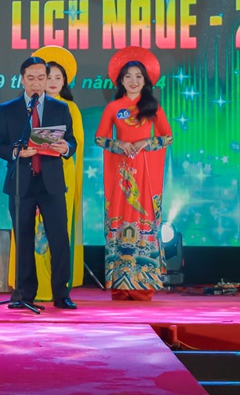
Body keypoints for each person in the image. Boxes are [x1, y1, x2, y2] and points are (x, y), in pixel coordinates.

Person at [0, 56, 78, 309]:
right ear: (22, 79)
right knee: (24, 239)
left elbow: (72, 142)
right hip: (21, 183)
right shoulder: (8, 109)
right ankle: (24, 294)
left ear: (47, 79)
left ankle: (61, 294)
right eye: (31, 78)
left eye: (41, 77)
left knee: (59, 238)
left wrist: (65, 148)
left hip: (51, 183)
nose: (36, 83)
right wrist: (16, 152)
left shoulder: (60, 108)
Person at [94, 47, 173, 301]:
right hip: (121, 176)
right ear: (120, 81)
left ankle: (143, 285)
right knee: (118, 222)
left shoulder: (153, 107)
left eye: (138, 76)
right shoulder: (113, 107)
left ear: (145, 80)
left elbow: (168, 137)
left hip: (145, 176)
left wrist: (146, 142)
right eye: (128, 76)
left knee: (145, 221)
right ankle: (120, 284)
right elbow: (100, 138)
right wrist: (118, 144)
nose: (133, 81)